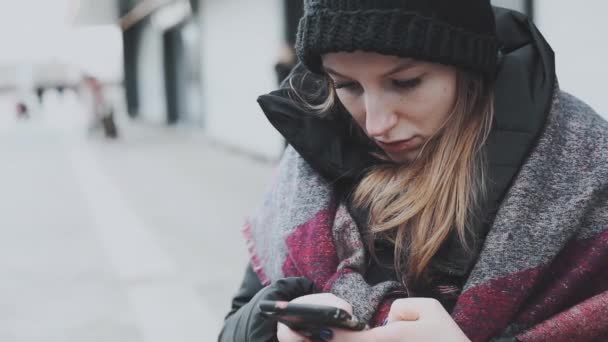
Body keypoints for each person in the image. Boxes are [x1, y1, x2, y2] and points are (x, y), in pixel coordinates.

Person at [219, 2, 608, 341]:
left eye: (404, 82)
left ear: (467, 69)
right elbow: (233, 324)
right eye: (347, 85)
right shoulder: (306, 165)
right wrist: (273, 326)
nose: (375, 124)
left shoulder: (587, 169)